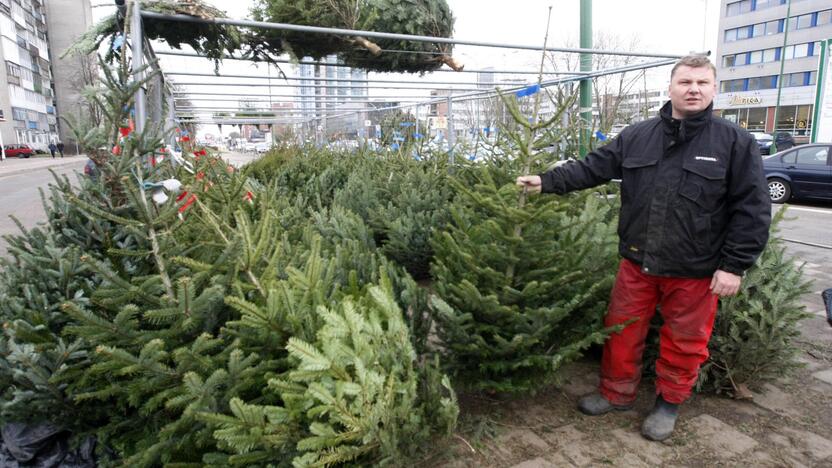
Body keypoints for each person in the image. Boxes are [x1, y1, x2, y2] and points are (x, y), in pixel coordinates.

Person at [516, 55, 771, 442]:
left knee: (685, 341)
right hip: (638, 261)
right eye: (686, 82)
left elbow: (752, 208)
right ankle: (616, 393)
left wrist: (733, 266)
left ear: (714, 89)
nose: (694, 89)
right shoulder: (638, 135)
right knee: (621, 330)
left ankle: (668, 404)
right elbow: (593, 167)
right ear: (671, 88)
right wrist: (546, 181)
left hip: (696, 271)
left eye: (702, 83)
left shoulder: (735, 142)